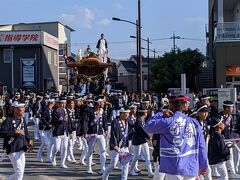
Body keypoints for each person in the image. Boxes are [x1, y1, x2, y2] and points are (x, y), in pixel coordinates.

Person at [144, 95, 208, 180]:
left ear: (171, 106)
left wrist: (161, 113)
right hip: (191, 165)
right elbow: (201, 146)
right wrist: (203, 164)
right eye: (187, 103)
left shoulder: (168, 121)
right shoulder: (195, 123)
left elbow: (147, 126)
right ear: (184, 105)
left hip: (173, 166)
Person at [0, 101, 32, 180]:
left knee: (20, 172)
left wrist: (29, 140)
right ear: (15, 109)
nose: (23, 110)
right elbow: (2, 133)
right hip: (12, 148)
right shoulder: (8, 120)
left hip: (22, 147)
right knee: (19, 172)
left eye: (24, 108)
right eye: (21, 108)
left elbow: (26, 132)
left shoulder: (22, 120)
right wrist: (15, 131)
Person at [102, 107, 131, 180]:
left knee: (126, 164)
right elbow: (113, 134)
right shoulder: (115, 121)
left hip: (125, 146)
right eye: (125, 113)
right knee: (113, 164)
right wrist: (115, 145)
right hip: (116, 146)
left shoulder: (128, 121)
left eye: (128, 113)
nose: (127, 114)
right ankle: (104, 175)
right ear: (121, 113)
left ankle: (124, 178)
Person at [129, 109, 154, 177]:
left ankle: (150, 172)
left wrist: (147, 137)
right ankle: (131, 170)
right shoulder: (138, 121)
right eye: (146, 112)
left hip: (143, 140)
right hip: (137, 140)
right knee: (136, 157)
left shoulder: (142, 120)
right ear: (144, 113)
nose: (147, 114)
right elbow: (142, 131)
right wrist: (149, 137)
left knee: (147, 156)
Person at [51, 96, 70, 168]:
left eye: (64, 103)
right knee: (57, 148)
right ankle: (53, 157)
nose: (63, 105)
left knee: (65, 147)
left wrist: (70, 131)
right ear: (59, 104)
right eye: (62, 103)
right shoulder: (56, 111)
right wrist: (61, 119)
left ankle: (62, 162)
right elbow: (54, 121)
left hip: (65, 131)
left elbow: (69, 122)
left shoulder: (66, 110)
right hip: (58, 131)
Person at [37, 98, 55, 162]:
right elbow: (42, 118)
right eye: (53, 102)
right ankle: (39, 155)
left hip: (49, 129)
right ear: (51, 103)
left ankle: (47, 157)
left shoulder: (52, 110)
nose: (54, 104)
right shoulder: (45, 109)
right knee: (45, 143)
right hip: (43, 129)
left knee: (49, 143)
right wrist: (48, 124)